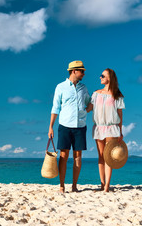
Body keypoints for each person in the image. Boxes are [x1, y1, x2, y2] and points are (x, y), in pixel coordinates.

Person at [48, 60, 90, 193]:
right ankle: (61, 185)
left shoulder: (84, 88)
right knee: (64, 156)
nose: (83, 73)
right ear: (74, 71)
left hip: (80, 126)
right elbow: (55, 108)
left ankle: (74, 186)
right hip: (65, 125)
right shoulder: (60, 87)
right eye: (81, 71)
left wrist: (84, 112)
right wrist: (51, 127)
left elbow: (90, 103)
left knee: (78, 157)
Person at [86, 68, 125, 192]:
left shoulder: (117, 95)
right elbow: (88, 109)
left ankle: (107, 186)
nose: (100, 77)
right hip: (98, 127)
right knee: (101, 156)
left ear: (109, 78)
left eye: (102, 76)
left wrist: (120, 131)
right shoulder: (96, 94)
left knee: (109, 157)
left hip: (112, 127)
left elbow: (120, 114)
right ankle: (102, 184)